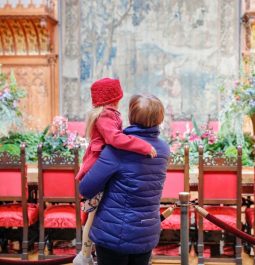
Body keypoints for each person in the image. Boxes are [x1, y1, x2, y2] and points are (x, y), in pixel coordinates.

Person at [73, 79, 157, 265]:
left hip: (104, 167)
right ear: (115, 98)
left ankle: (86, 253)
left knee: (93, 214)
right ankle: (85, 254)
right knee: (92, 214)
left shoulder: (106, 114)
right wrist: (142, 145)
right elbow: (115, 139)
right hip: (99, 164)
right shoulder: (105, 116)